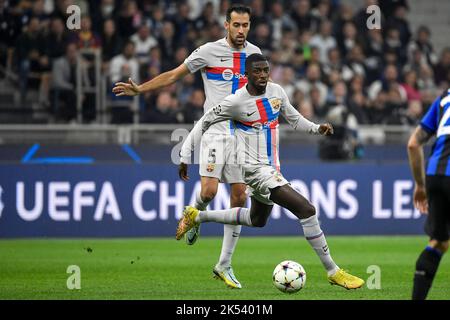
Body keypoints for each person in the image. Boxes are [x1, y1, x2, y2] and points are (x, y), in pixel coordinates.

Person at [176, 54, 365, 290]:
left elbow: (295, 120)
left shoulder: (276, 93)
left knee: (257, 220)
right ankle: (333, 271)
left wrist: (317, 128)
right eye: (257, 71)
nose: (263, 75)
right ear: (246, 75)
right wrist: (185, 155)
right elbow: (203, 122)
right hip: (255, 171)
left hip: (271, 167)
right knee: (306, 210)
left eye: (266, 70)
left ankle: (197, 216)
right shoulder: (235, 102)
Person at [112, 5, 262, 289]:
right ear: (226, 25)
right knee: (209, 191)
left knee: (240, 197)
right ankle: (193, 215)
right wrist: (141, 89)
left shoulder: (255, 55)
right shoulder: (207, 51)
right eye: (237, 25)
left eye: (246, 25)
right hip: (215, 131)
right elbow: (174, 74)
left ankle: (224, 264)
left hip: (242, 135)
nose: (241, 30)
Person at [407, 88, 450, 300]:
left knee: (439, 242)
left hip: (435, 175)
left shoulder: (444, 97)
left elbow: (413, 144)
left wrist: (420, 185)